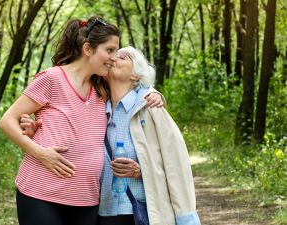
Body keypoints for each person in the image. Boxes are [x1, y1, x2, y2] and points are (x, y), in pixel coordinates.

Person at [0, 16, 162, 225]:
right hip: (41, 193)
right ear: (87, 49)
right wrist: (40, 152)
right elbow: (7, 121)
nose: (114, 57)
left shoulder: (102, 87)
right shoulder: (51, 79)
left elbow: (135, 86)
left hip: (86, 200)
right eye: (110, 50)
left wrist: (155, 93)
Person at [21, 46, 201, 225]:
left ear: (136, 75)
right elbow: (72, 135)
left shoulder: (150, 108)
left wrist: (142, 172)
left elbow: (176, 165)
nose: (114, 58)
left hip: (140, 213)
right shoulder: (94, 105)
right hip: (100, 213)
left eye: (123, 57)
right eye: (113, 54)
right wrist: (38, 131)